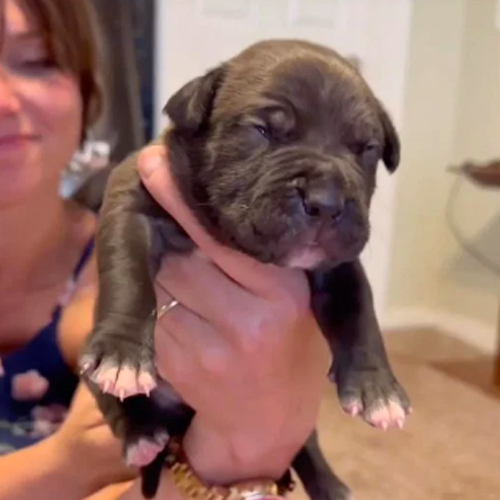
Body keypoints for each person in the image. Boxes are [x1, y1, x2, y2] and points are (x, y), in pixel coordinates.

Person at [0, 1, 331, 499]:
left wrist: (245, 445)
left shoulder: (158, 276)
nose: (3, 99)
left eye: (39, 60)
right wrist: (63, 466)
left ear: (88, 92)